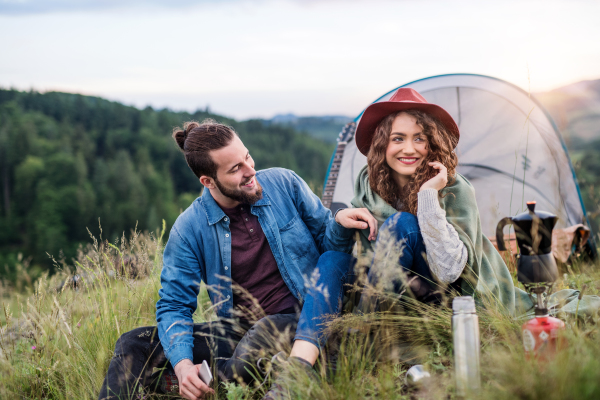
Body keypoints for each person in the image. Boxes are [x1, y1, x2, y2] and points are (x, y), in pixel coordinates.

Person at [98, 119, 377, 400]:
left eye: (247, 157)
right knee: (134, 343)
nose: (250, 171)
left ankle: (200, 384)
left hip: (303, 319)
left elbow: (329, 252)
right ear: (208, 182)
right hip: (237, 332)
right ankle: (190, 380)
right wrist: (183, 365)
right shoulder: (189, 228)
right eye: (236, 169)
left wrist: (339, 223)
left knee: (260, 335)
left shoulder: (285, 183)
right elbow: (174, 305)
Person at [351, 87, 517, 312]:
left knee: (403, 224)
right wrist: (339, 217)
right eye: (398, 138)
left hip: (450, 293)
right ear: (382, 144)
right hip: (399, 285)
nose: (409, 149)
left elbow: (450, 271)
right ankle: (311, 336)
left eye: (419, 138)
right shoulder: (370, 185)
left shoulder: (454, 188)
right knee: (331, 260)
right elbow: (362, 254)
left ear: (433, 143)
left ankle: (362, 330)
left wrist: (428, 194)